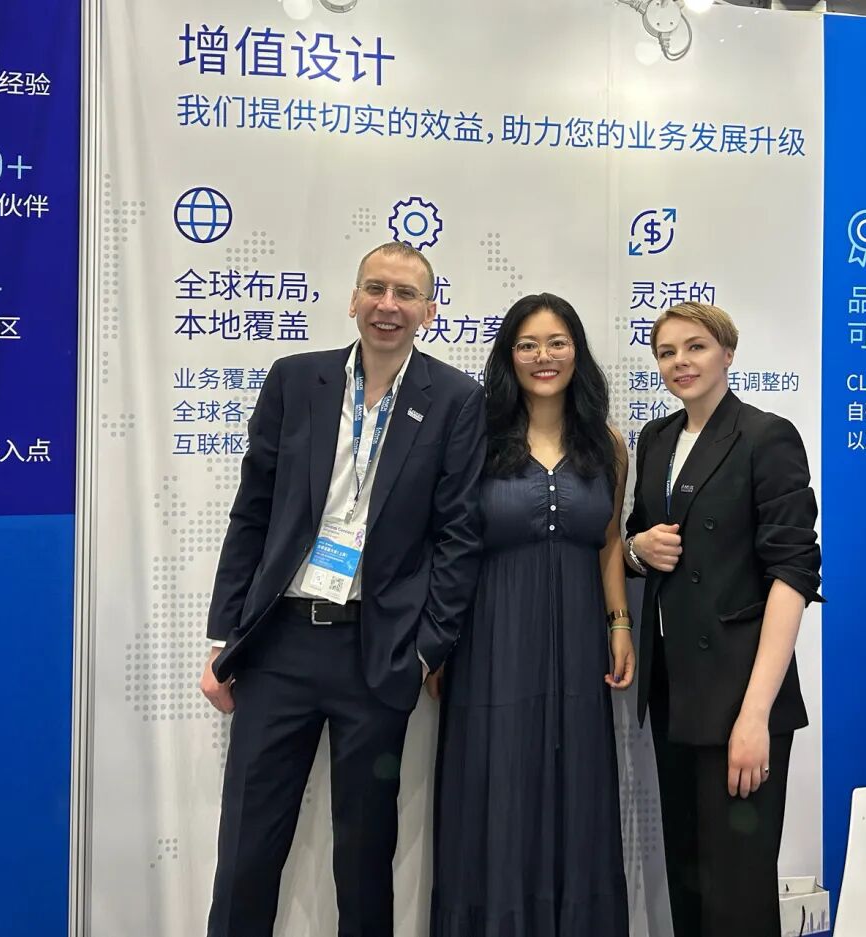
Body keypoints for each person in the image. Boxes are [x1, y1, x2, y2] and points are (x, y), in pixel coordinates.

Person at [198, 241, 486, 937]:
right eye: (376, 288)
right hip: (279, 646)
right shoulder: (296, 379)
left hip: (377, 652)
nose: (388, 305)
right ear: (354, 298)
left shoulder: (455, 399)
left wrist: (425, 650)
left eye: (406, 293)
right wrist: (223, 637)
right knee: (246, 849)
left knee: (364, 854)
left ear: (429, 310)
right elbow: (252, 511)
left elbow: (458, 535)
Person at [431, 293, 633, 937]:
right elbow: (445, 542)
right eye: (527, 344)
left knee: (578, 790)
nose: (543, 357)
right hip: (489, 643)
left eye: (557, 342)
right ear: (508, 356)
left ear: (577, 352)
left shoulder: (608, 444)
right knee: (496, 788)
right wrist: (437, 641)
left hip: (578, 642)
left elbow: (608, 539)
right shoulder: (475, 438)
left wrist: (619, 623)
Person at [623, 302, 823, 937]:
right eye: (666, 352)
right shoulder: (656, 439)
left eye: (696, 347)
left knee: (737, 893)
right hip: (673, 689)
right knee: (687, 883)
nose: (680, 362)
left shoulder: (766, 436)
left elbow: (793, 573)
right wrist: (637, 549)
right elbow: (636, 541)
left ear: (727, 354)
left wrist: (755, 715)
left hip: (741, 692)